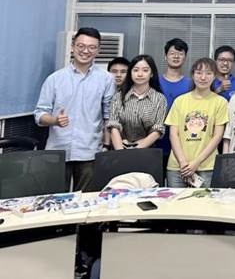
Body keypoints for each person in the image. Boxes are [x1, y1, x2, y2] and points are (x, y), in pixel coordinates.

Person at [34, 27, 115, 191]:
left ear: (98, 50)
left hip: (90, 151)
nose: (85, 51)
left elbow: (109, 116)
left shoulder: (106, 79)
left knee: (86, 201)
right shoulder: (55, 79)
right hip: (58, 150)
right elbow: (39, 115)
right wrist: (55, 120)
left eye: (91, 47)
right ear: (72, 47)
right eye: (81, 46)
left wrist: (106, 146)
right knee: (55, 199)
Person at [165, 58, 228, 188]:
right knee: (176, 201)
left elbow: (217, 136)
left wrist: (196, 162)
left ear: (215, 76)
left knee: (204, 201)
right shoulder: (180, 101)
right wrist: (183, 162)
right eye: (199, 73)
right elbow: (173, 134)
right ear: (193, 75)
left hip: (207, 166)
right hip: (177, 166)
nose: (203, 77)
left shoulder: (220, 102)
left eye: (208, 73)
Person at [108, 54, 166, 150]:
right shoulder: (118, 96)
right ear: (130, 73)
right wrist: (120, 152)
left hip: (146, 151)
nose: (140, 74)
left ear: (152, 73)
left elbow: (158, 129)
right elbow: (113, 125)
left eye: (145, 70)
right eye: (135, 70)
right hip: (119, 149)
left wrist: (136, 150)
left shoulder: (160, 98)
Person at [157, 38, 194, 160]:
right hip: (156, 142)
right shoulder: (154, 82)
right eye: (172, 53)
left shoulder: (191, 84)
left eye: (180, 53)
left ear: (185, 57)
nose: (176, 56)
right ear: (165, 56)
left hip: (183, 144)